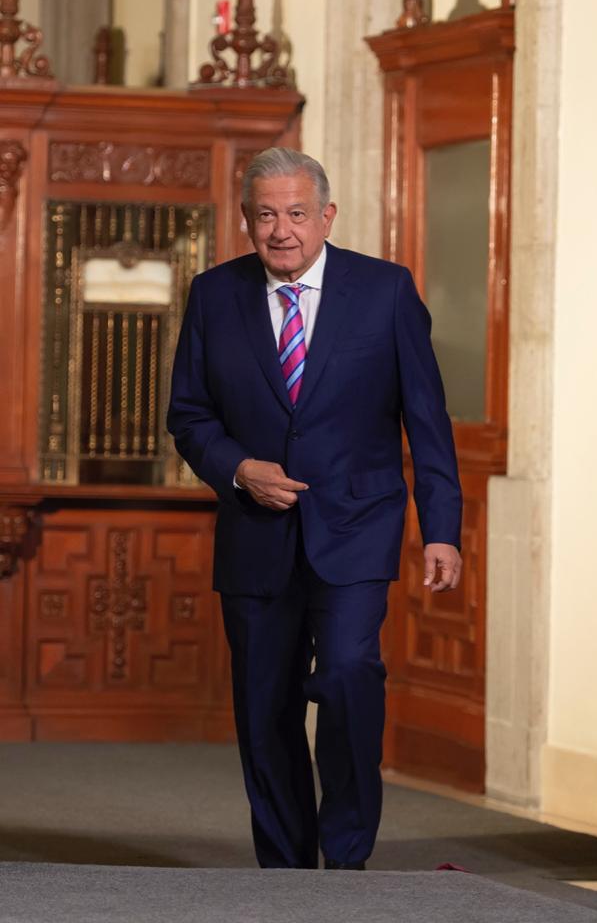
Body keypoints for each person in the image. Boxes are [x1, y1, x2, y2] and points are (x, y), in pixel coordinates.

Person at [167, 147, 462, 871]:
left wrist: (442, 530)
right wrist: (238, 469)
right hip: (256, 535)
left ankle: (348, 854)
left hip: (356, 528)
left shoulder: (386, 291)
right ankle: (286, 870)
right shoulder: (214, 295)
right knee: (265, 707)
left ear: (326, 216)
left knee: (350, 673)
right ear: (246, 219)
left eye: (297, 213)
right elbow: (189, 415)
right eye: (266, 215)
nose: (282, 230)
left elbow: (426, 420)